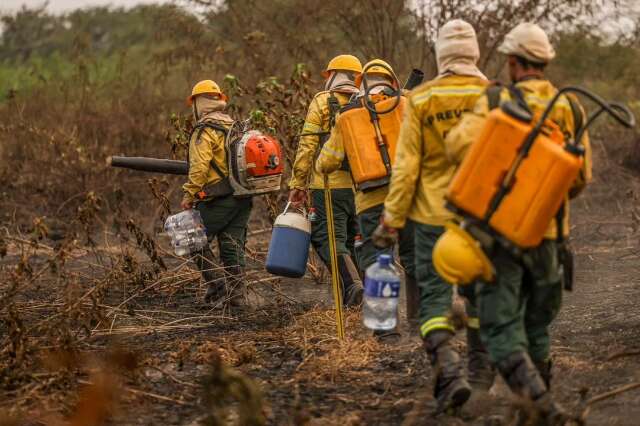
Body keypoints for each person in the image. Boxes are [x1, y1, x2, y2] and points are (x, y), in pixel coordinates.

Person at [445, 23, 593, 423]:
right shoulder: (571, 107)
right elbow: (579, 178)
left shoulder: (496, 99)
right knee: (537, 326)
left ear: (512, 62)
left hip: (501, 239)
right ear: (545, 61)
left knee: (497, 326)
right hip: (551, 239)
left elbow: (456, 145)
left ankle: (543, 409)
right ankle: (533, 410)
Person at [373, 20, 493, 414]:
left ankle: (448, 367)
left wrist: (391, 218)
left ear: (441, 55)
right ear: (473, 53)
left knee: (434, 301)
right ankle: (478, 376)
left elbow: (406, 168)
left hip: (430, 217)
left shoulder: (422, 100)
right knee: (478, 297)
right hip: (480, 219)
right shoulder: (492, 96)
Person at [315, 59, 417, 330]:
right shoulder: (407, 107)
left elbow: (327, 162)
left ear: (361, 85)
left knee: (375, 259)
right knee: (413, 256)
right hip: (408, 197)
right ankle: (419, 320)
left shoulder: (347, 116)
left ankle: (384, 328)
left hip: (370, 201)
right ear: (393, 82)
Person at [289, 54, 364, 306]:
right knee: (355, 241)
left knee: (327, 239)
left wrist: (298, 183)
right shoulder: (368, 103)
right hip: (363, 187)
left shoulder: (322, 102)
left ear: (332, 75)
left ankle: (353, 287)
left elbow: (308, 144)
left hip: (328, 185)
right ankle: (356, 297)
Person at [181, 79, 253, 306]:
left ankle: (218, 287)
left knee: (190, 239)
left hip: (217, 199)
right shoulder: (235, 126)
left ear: (197, 104)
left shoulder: (205, 130)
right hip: (243, 196)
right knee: (232, 246)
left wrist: (189, 194)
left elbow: (200, 168)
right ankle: (237, 298)